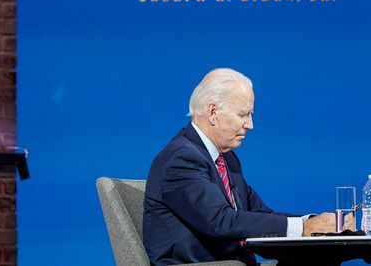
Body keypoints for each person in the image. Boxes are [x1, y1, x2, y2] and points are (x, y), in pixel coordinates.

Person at [143, 68, 351, 266]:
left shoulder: (227, 160)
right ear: (213, 112)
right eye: (243, 114)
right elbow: (221, 222)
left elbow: (260, 214)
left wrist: (316, 224)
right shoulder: (181, 159)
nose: (250, 125)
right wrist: (304, 228)